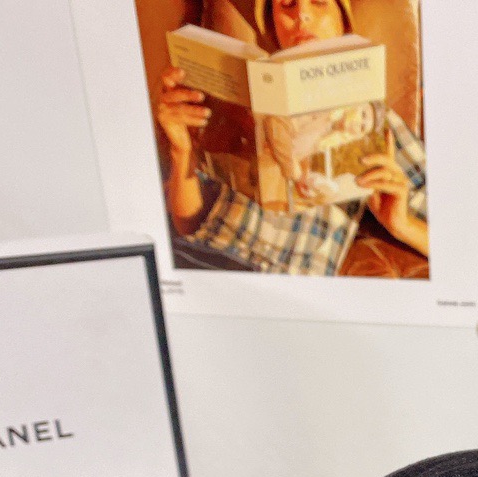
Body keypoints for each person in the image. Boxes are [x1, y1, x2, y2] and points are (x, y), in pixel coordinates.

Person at [156, 0, 428, 275]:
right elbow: (187, 223)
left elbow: (451, 237)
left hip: (286, 282)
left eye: (319, 2)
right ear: (274, 26)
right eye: (287, 5)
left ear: (343, 21)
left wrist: (402, 224)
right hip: (203, 262)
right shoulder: (239, 97)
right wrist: (181, 151)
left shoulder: (370, 114)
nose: (302, 15)